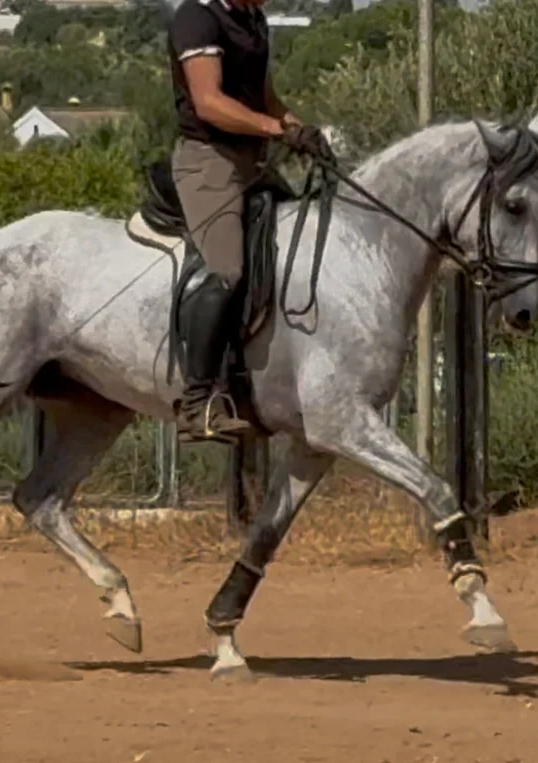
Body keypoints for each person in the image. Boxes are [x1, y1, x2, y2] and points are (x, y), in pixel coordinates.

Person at [167, 0, 328, 439]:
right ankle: (197, 403)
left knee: (297, 248)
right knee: (226, 271)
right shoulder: (197, 18)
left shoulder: (252, 19)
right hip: (208, 163)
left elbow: (266, 98)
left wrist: (300, 128)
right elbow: (210, 103)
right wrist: (277, 131)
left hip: (251, 160)